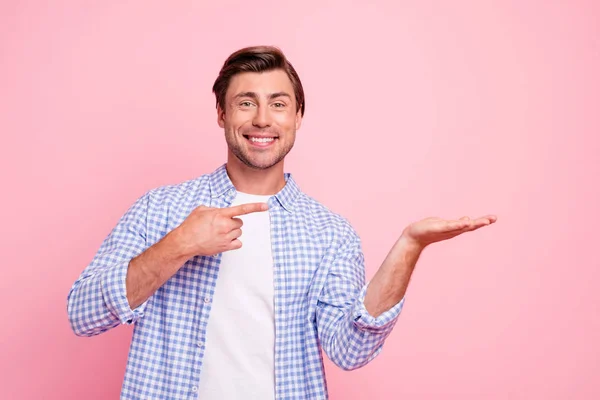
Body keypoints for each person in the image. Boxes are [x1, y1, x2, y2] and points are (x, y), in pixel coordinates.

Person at [67, 45, 497, 400]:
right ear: (221, 114)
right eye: (245, 103)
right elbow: (83, 314)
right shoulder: (160, 209)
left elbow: (349, 349)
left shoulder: (329, 232)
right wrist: (178, 244)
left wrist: (409, 246)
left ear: (297, 117)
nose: (262, 119)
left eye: (278, 104)